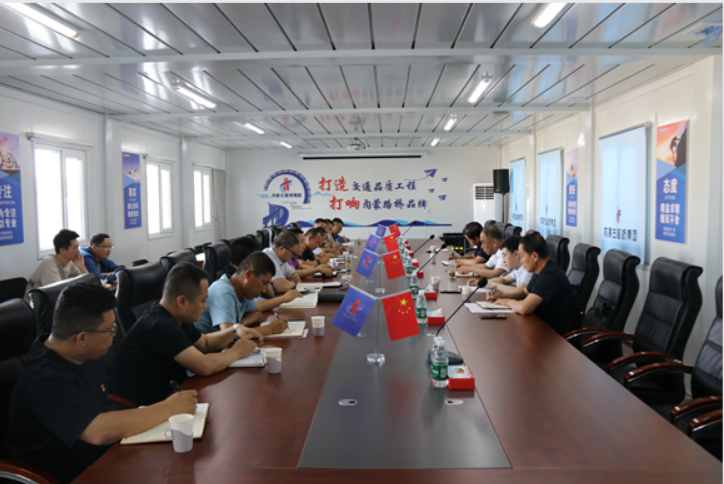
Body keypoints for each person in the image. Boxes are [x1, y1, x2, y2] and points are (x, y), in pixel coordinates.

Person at [7, 283, 198, 484]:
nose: (114, 336)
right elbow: (97, 430)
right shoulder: (44, 380)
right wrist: (168, 408)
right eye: (110, 329)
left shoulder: (82, 355)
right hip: (68, 475)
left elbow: (102, 408)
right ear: (82, 338)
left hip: (107, 456)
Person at [113, 263, 260, 406]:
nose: (205, 306)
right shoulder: (161, 325)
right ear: (182, 301)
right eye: (202, 301)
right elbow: (204, 366)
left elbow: (205, 343)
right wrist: (236, 352)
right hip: (143, 408)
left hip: (169, 396)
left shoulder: (177, 316)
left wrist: (234, 330)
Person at [488, 232, 581, 335]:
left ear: (535, 256)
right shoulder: (541, 270)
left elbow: (524, 308)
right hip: (542, 327)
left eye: (522, 257)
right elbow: (524, 292)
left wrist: (507, 302)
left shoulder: (550, 275)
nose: (521, 262)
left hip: (557, 336)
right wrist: (502, 296)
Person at [194, 252, 297, 335]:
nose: (264, 290)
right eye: (264, 283)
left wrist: (239, 326)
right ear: (248, 274)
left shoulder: (243, 291)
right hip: (208, 350)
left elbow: (257, 313)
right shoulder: (223, 291)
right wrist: (269, 329)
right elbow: (229, 333)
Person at [25, 229, 88, 299]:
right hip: (37, 304)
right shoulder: (49, 264)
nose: (78, 252)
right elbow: (58, 295)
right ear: (62, 251)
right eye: (75, 248)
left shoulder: (71, 263)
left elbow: (89, 285)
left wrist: (82, 267)